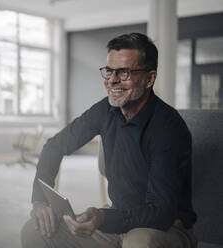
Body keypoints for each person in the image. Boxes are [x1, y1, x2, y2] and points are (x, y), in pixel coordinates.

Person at [20, 33, 197, 248]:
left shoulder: (169, 128)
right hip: (117, 221)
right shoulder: (105, 110)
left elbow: (160, 212)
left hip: (165, 228)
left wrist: (104, 218)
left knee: (139, 243)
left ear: (149, 78)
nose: (112, 80)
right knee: (35, 230)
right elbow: (54, 146)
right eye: (109, 71)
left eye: (124, 72)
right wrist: (40, 200)